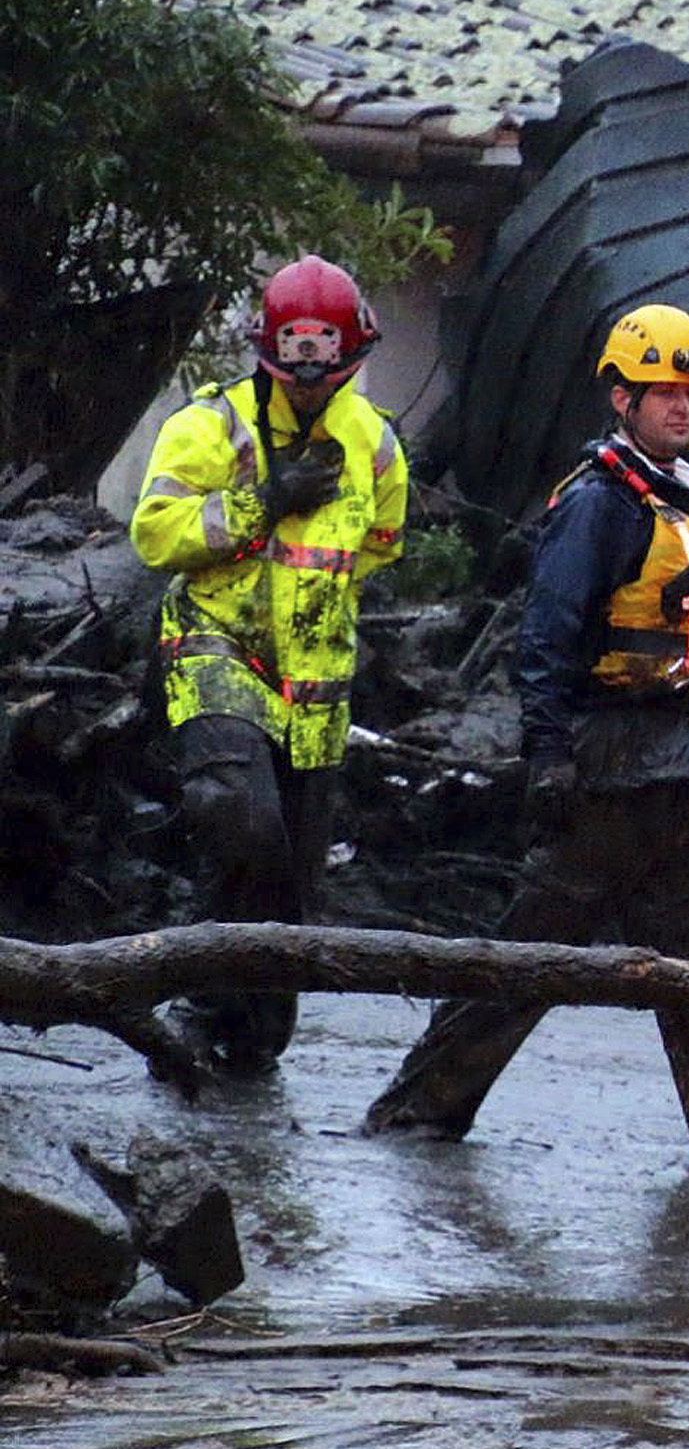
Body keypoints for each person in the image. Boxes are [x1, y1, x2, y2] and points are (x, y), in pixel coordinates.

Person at [364, 305, 689, 1159]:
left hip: (685, 778)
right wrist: (549, 756)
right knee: (527, 964)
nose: (683, 408)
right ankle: (413, 1119)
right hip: (609, 774)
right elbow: (548, 638)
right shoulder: (599, 504)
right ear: (621, 398)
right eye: (664, 392)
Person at [131, 255, 405, 1075]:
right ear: (269, 354)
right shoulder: (211, 426)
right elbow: (155, 533)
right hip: (213, 647)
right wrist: (263, 502)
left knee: (291, 878)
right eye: (298, 363)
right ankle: (189, 1003)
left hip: (315, 681)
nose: (314, 381)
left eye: (330, 362)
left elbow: (380, 546)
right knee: (240, 818)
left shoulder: (376, 444)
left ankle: (250, 1051)